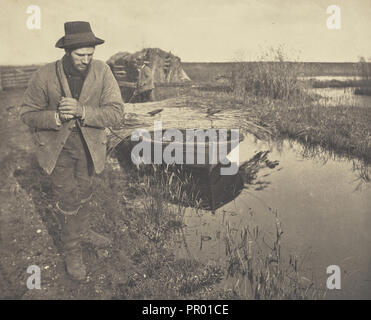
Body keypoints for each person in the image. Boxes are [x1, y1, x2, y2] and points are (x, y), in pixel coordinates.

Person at [20, 21, 124, 281]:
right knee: (67, 200)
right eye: (80, 55)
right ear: (67, 51)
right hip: (58, 149)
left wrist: (84, 112)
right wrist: (55, 117)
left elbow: (117, 112)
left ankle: (84, 230)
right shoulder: (44, 75)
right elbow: (27, 114)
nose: (87, 60)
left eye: (91, 54)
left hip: (90, 148)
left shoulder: (103, 71)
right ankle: (72, 251)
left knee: (85, 191)